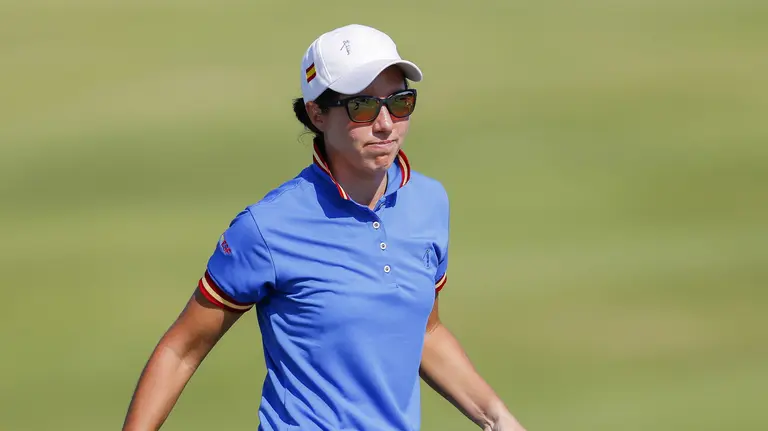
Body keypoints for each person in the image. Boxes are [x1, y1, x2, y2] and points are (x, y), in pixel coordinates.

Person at [122, 24, 527, 431]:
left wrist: (496, 418)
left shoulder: (429, 202)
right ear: (317, 113)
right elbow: (181, 350)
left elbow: (423, 330)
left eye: (400, 103)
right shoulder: (267, 228)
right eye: (363, 107)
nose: (386, 124)